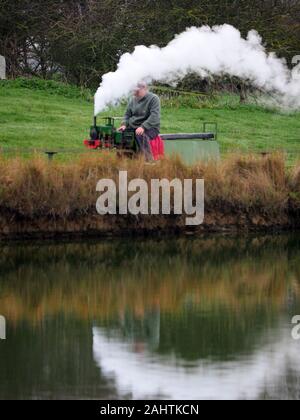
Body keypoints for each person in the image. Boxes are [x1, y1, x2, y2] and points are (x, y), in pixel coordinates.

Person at [119, 82, 161, 161]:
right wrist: (124, 124)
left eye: (137, 91)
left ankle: (148, 161)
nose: (135, 93)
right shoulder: (132, 100)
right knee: (121, 135)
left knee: (140, 135)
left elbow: (155, 116)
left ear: (144, 89)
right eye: (134, 91)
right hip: (133, 126)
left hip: (151, 127)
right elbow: (127, 115)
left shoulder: (154, 99)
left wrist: (143, 127)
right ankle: (124, 161)